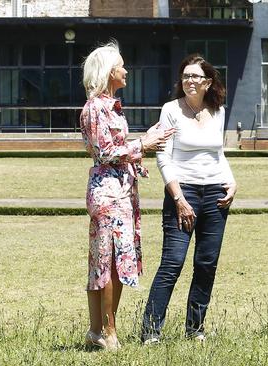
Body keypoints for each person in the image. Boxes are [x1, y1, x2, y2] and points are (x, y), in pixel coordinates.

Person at [80, 41, 175, 350]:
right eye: (120, 65)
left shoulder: (107, 107)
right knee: (108, 263)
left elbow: (115, 151)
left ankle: (99, 331)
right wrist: (143, 145)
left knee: (109, 261)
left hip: (117, 191)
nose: (126, 70)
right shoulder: (96, 108)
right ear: (109, 72)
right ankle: (107, 332)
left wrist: (143, 142)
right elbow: (106, 153)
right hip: (110, 195)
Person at [141, 54, 236, 344]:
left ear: (208, 82)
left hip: (216, 194)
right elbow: (163, 156)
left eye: (196, 77)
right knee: (173, 262)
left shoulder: (217, 111)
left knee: (207, 263)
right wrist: (179, 198)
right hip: (183, 193)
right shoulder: (171, 110)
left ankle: (195, 328)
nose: (190, 81)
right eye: (185, 76)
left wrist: (231, 180)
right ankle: (150, 332)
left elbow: (217, 154)